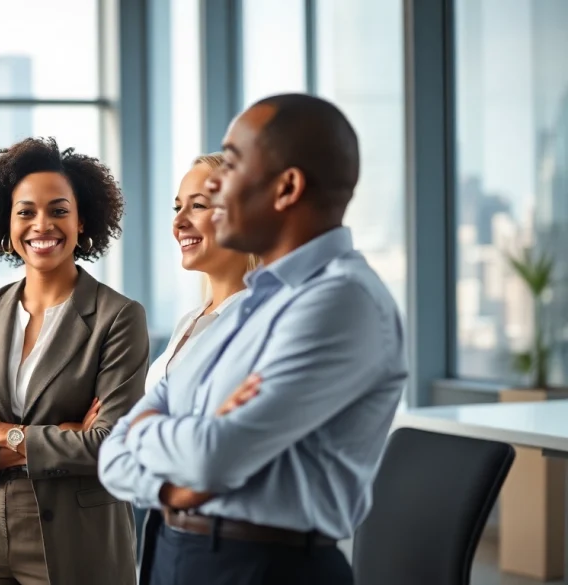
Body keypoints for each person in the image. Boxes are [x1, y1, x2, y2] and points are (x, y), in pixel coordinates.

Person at [98, 93, 407, 585]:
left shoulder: (340, 300)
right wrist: (175, 484)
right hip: (175, 552)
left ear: (287, 188)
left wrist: (151, 431)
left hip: (263, 567)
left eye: (233, 162)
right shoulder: (254, 303)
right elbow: (113, 453)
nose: (215, 185)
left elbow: (212, 456)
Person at [0, 137, 149, 585]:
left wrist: (1, 433)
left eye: (58, 210)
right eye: (26, 212)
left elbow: (108, 444)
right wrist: (61, 437)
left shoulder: (118, 317)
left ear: (81, 220)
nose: (42, 225)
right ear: (6, 221)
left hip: (78, 538)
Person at [133, 153, 259, 544]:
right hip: (168, 529)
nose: (179, 222)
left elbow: (211, 445)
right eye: (177, 208)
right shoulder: (190, 321)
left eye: (198, 206)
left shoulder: (255, 323)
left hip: (223, 535)